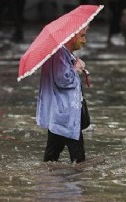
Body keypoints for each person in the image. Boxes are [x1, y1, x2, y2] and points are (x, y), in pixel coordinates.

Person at [36, 27, 89, 164]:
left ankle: (49, 182)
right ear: (72, 36)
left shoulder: (63, 53)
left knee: (50, 159)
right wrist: (75, 69)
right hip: (66, 116)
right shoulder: (59, 54)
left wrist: (74, 64)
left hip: (60, 116)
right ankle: (75, 183)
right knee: (79, 160)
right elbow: (62, 79)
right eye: (82, 36)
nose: (84, 40)